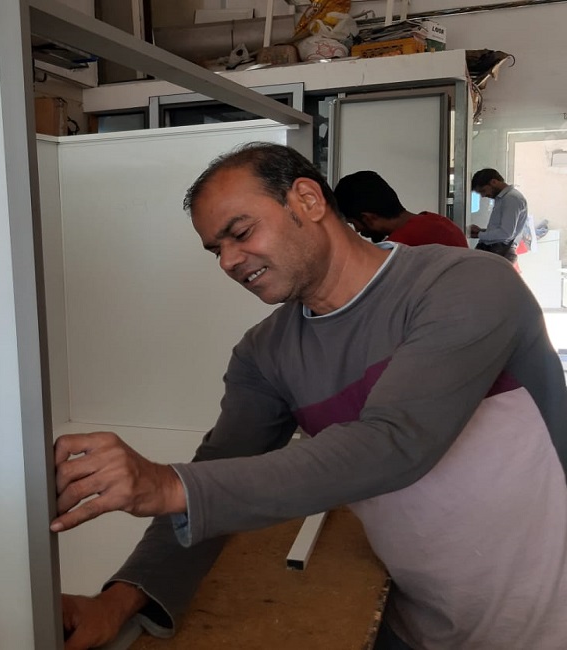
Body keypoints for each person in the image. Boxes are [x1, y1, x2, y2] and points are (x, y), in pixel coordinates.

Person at [52, 143, 567, 650]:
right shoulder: (265, 354)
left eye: (240, 233)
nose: (228, 261)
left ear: (308, 199)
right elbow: (218, 471)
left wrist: (167, 485)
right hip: (420, 620)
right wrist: (115, 603)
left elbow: (394, 443)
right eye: (216, 250)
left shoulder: (466, 284)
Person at [333, 170, 468, 247]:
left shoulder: (395, 250)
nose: (357, 230)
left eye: (353, 223)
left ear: (368, 218)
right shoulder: (444, 224)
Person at [469, 168, 529, 264]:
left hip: (498, 251)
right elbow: (504, 230)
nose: (484, 195)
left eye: (483, 191)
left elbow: (506, 233)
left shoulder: (511, 198)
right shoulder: (505, 198)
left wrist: (479, 234)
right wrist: (482, 231)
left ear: (493, 182)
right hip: (496, 250)